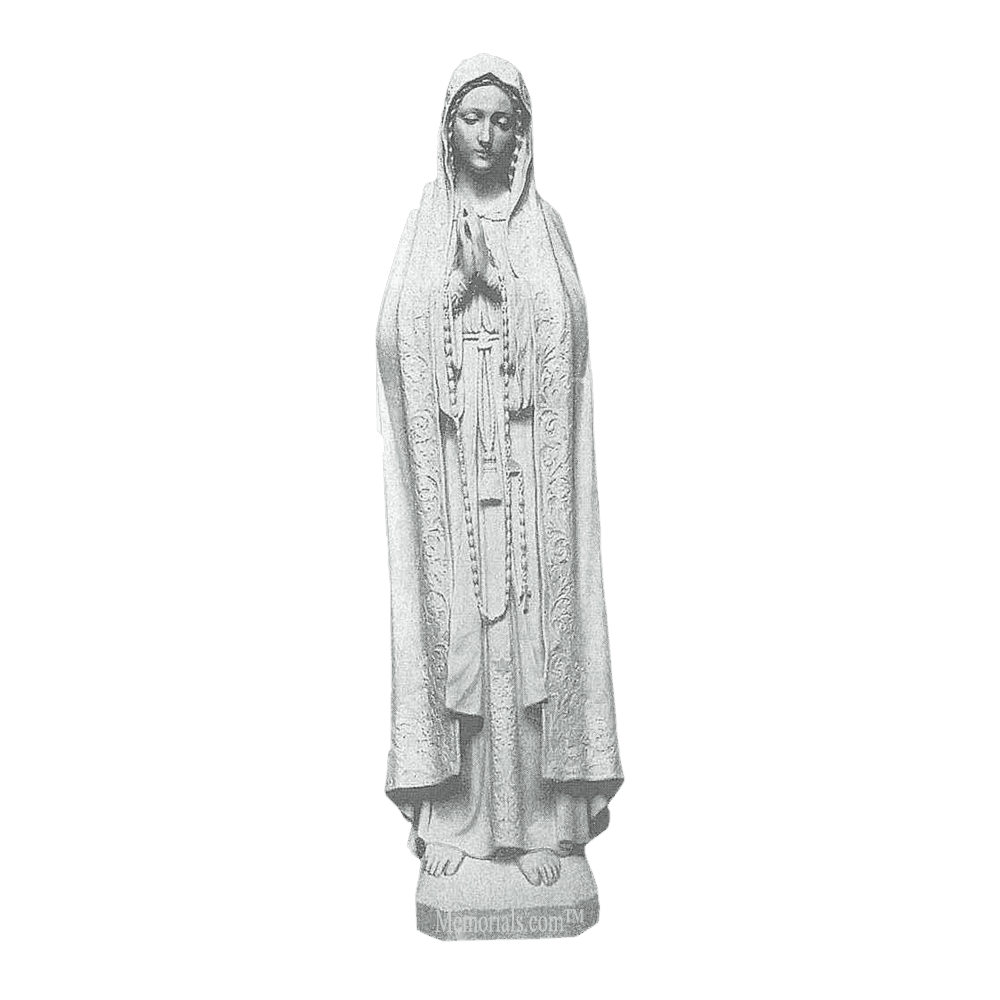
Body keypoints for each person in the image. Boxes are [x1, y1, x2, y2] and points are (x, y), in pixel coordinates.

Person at [377, 55, 623, 889]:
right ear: (448, 128)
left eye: (502, 121)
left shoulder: (544, 226)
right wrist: (454, 286)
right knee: (460, 632)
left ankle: (544, 827)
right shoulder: (424, 226)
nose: (486, 135)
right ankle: (458, 817)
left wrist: (506, 285)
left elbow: (572, 337)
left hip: (526, 466)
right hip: (454, 465)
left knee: (531, 632)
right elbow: (392, 340)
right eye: (471, 118)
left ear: (522, 134)